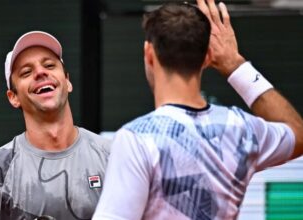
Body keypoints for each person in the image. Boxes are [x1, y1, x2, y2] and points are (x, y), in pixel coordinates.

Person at [93, 0, 303, 219]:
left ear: (149, 54)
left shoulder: (135, 140)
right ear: (208, 57)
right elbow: (298, 134)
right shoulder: (241, 129)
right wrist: (235, 64)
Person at [0, 31, 111, 220]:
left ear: (67, 81)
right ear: (14, 97)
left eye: (50, 65)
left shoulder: (112, 156)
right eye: (26, 72)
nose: (41, 72)